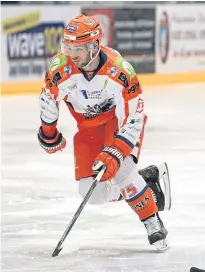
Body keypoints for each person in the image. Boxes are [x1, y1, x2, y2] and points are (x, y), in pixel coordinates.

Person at [37, 15, 171, 251]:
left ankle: (151, 219)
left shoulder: (120, 71)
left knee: (122, 172)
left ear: (94, 46)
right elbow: (49, 99)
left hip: (117, 125)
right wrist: (49, 133)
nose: (71, 53)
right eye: (67, 47)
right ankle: (147, 186)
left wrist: (117, 151)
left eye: (77, 48)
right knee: (93, 194)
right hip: (87, 131)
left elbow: (135, 116)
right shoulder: (61, 68)